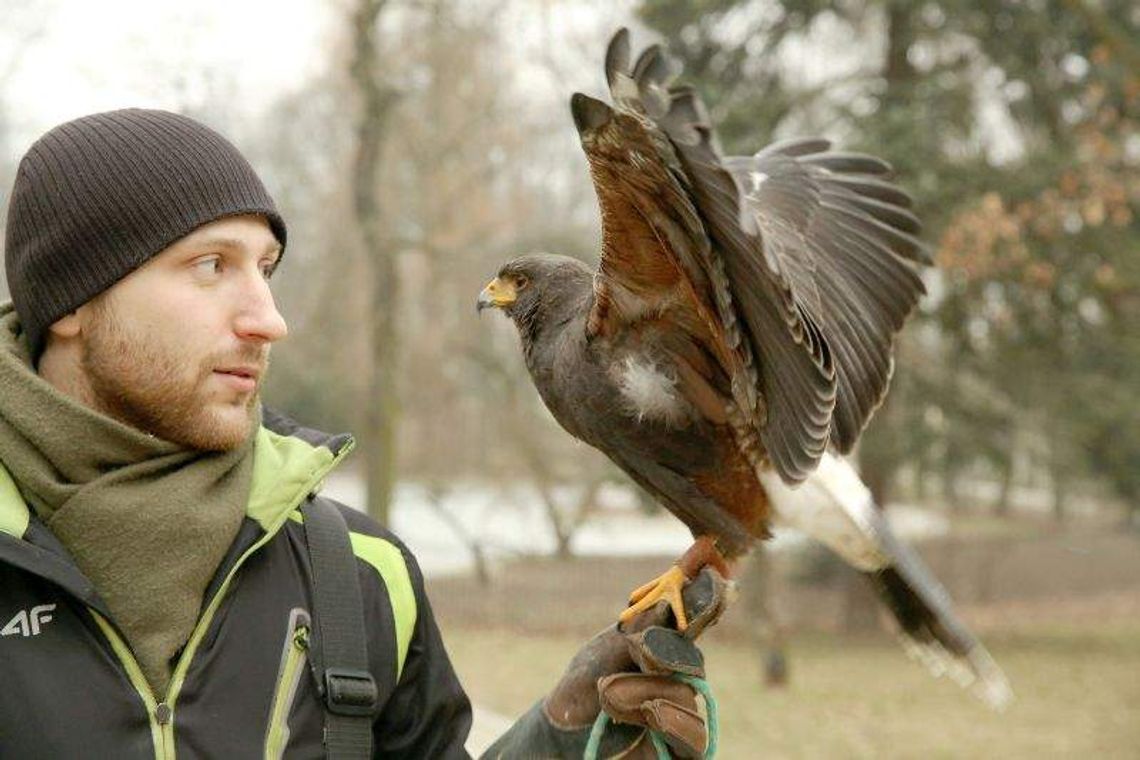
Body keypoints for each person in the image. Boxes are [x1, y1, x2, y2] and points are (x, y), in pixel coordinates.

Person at [0, 108, 725, 759]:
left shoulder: (358, 576)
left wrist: (566, 745)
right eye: (211, 266)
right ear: (72, 301)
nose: (269, 319)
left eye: (268, 269)